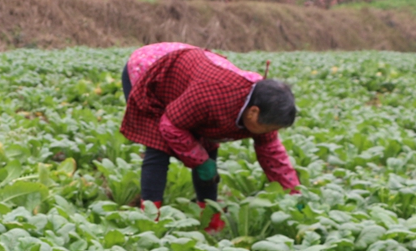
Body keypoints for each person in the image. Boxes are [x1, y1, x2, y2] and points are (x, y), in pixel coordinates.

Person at [119, 42, 299, 230]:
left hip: (187, 80)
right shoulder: (213, 93)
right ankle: (149, 217)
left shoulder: (263, 108)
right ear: (253, 112)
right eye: (268, 127)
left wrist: (294, 193)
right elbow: (170, 125)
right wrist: (199, 161)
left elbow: (272, 154)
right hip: (150, 68)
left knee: (207, 149)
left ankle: (209, 216)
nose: (269, 132)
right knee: (158, 147)